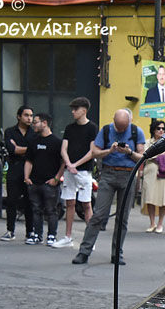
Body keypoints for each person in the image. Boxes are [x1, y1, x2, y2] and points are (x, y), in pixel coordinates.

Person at [72, 109, 145, 265]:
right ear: (114, 121)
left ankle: (117, 254)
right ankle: (84, 252)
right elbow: (94, 153)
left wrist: (129, 152)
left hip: (128, 175)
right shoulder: (105, 130)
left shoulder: (136, 131)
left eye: (123, 128)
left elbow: (143, 156)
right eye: (118, 128)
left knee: (122, 218)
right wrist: (109, 151)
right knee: (98, 215)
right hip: (108, 174)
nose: (121, 131)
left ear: (129, 123)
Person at [53, 97, 98, 249]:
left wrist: (75, 165)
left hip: (84, 171)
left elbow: (92, 151)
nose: (73, 112)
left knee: (86, 204)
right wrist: (69, 164)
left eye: (76, 109)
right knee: (69, 202)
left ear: (84, 111)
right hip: (70, 170)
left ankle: (90, 240)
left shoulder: (92, 128)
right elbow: (63, 148)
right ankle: (67, 236)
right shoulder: (69, 128)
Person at [23, 113, 64, 246]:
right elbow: (29, 161)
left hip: (50, 183)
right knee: (36, 209)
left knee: (51, 210)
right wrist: (26, 178)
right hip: (34, 182)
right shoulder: (33, 141)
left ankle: (52, 235)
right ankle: (37, 234)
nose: (33, 124)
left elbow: (63, 162)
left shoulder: (57, 142)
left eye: (36, 122)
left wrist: (56, 178)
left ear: (45, 123)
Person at [0, 105, 34, 242]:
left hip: (30, 169)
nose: (29, 118)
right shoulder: (10, 131)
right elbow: (12, 149)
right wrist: (28, 148)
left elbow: (34, 151)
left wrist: (22, 149)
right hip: (14, 168)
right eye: (26, 115)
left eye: (31, 116)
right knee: (11, 200)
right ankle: (10, 230)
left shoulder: (34, 133)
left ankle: (30, 232)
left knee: (29, 201)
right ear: (19, 116)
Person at [140, 119, 165, 233]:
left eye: (163, 128)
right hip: (150, 173)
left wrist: (155, 156)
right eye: (158, 128)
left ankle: (160, 223)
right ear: (153, 130)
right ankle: (152, 222)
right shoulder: (148, 142)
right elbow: (145, 155)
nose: (161, 130)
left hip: (163, 173)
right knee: (150, 197)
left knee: (163, 198)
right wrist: (158, 156)